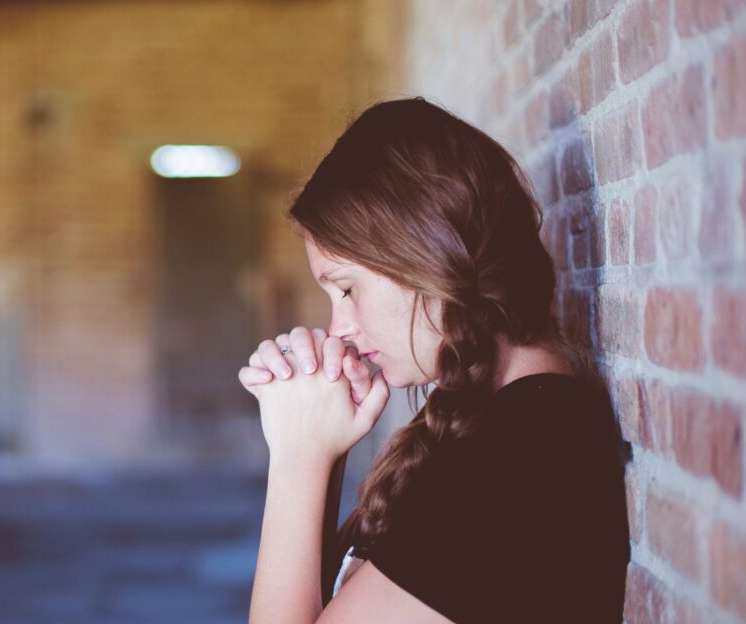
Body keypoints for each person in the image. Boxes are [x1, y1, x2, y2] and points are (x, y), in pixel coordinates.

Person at [238, 97, 630, 623]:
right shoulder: (497, 424)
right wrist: (322, 447)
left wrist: (297, 458)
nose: (339, 329)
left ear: (426, 256)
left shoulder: (521, 458)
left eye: (347, 289)